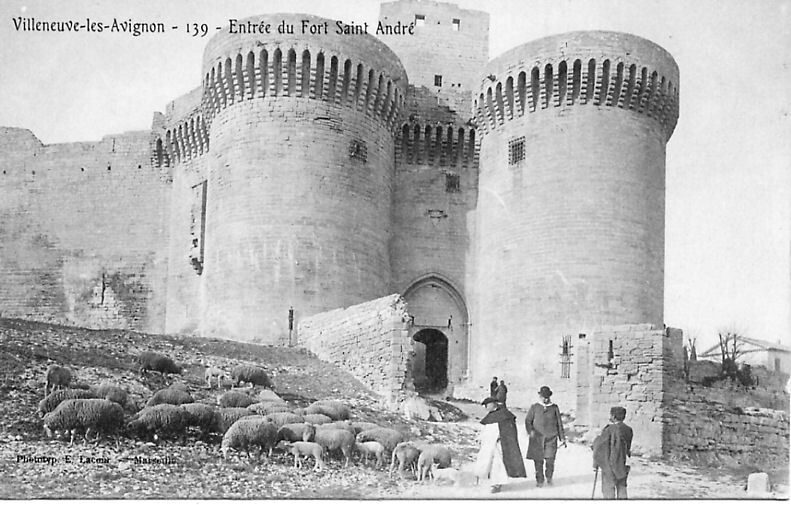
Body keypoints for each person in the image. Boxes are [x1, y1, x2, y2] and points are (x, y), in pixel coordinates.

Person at [475, 397, 527, 493]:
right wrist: (480, 438)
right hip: (488, 444)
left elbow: (508, 431)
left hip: (499, 445)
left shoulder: (504, 415)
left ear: (492, 405)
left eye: (487, 405)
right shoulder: (491, 416)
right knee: (487, 463)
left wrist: (501, 440)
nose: (485, 408)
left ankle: (497, 484)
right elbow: (487, 430)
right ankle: (488, 481)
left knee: (497, 464)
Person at [524, 385, 566, 487]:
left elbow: (559, 423)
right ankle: (539, 480)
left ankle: (549, 477)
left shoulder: (554, 408)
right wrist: (531, 431)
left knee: (550, 460)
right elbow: (528, 421)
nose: (545, 399)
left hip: (551, 438)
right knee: (538, 461)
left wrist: (562, 438)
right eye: (544, 397)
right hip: (537, 439)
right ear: (540, 396)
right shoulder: (534, 407)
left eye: (547, 397)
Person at [593, 406, 633, 499]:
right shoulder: (628, 429)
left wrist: (595, 463)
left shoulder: (609, 429)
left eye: (611, 415)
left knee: (608, 491)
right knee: (622, 489)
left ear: (614, 416)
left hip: (610, 466)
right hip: (622, 465)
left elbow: (599, 446)